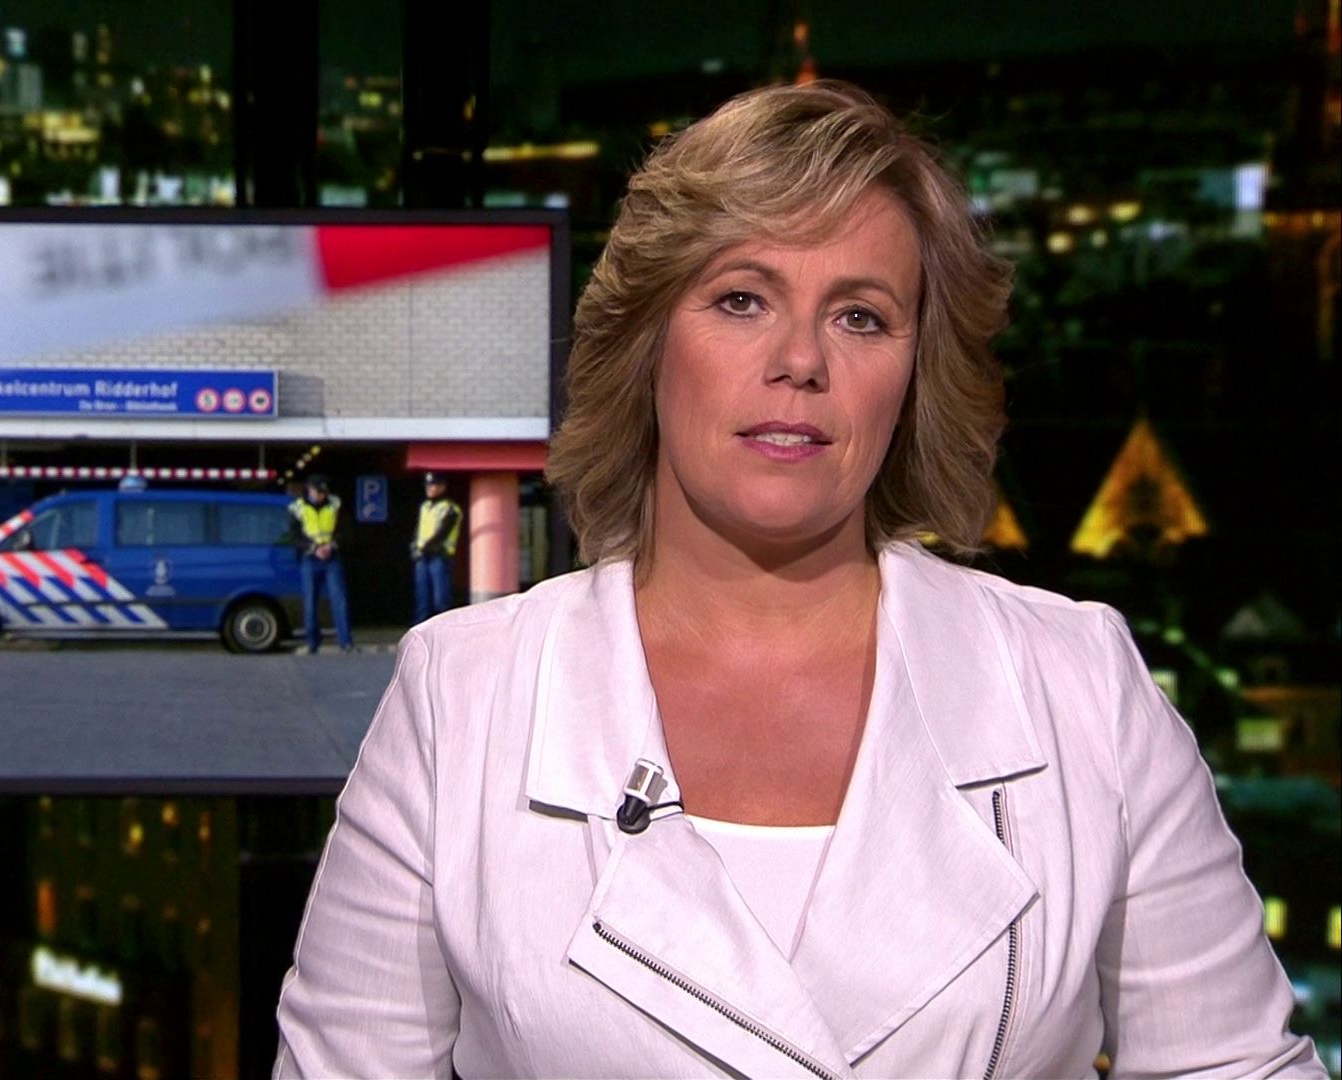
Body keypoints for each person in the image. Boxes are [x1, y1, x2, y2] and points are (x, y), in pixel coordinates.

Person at [274, 82, 1323, 1078]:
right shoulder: (461, 699)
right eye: (741, 299)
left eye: (860, 316)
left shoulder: (1081, 686)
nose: (800, 360)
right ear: (648, 345)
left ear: (914, 376)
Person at [288, 474, 354, 654]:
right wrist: (313, 548)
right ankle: (312, 643)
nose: (322, 496)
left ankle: (346, 642)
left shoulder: (335, 504)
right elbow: (294, 537)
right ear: (310, 490)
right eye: (319, 492)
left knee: (339, 600)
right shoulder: (297, 508)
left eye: (324, 492)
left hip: (332, 556)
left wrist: (331, 545)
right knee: (310, 602)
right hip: (310, 558)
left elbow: (345, 530)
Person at [410, 473, 463, 624]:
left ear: (442, 487)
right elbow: (418, 530)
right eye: (427, 485)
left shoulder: (450, 509)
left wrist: (424, 547)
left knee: (440, 599)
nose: (429, 488)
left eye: (433, 485)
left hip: (440, 556)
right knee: (422, 597)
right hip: (422, 557)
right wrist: (414, 546)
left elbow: (442, 533)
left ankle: (445, 629)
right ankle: (420, 630)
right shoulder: (425, 507)